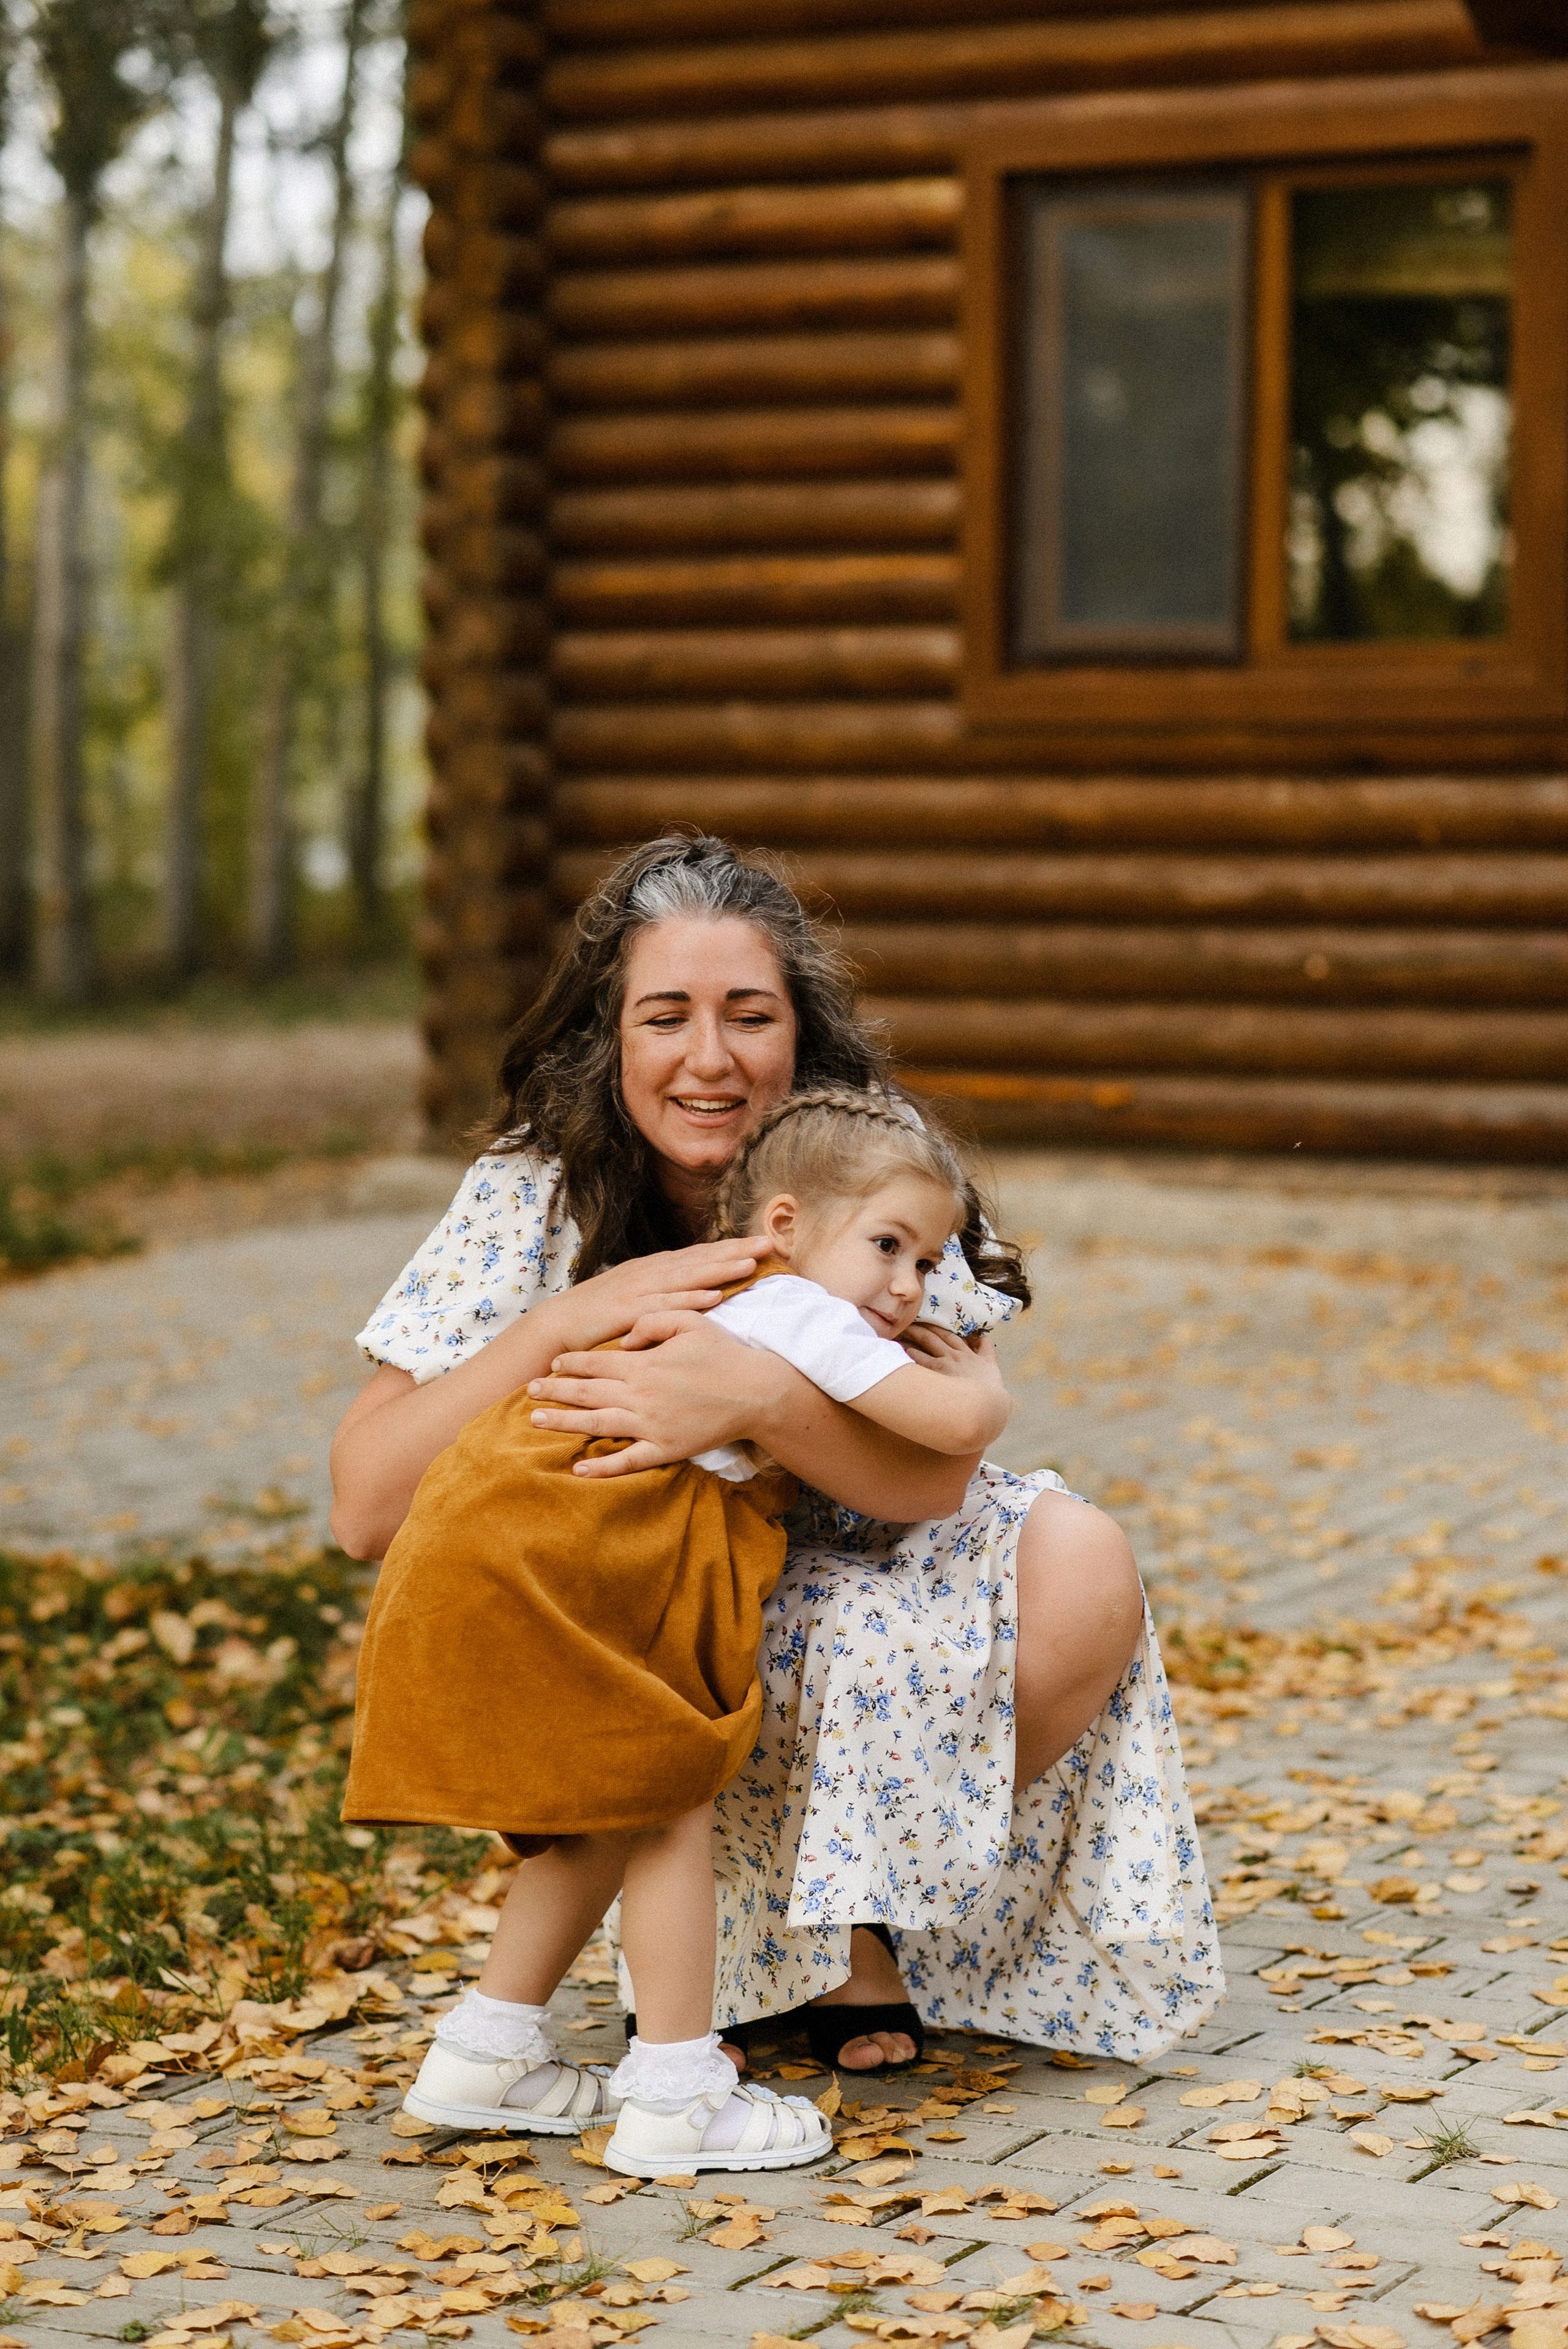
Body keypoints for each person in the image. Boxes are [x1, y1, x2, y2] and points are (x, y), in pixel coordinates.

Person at [332, 834, 1221, 2078]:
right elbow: (367, 1506)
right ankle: (725, 1959)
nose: (709, 1058)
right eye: (666, 1017)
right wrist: (564, 1320)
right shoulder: (532, 1188)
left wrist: (749, 1395)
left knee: (1078, 1561)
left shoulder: (872, 1163)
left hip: (840, 1564)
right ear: (609, 1036)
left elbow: (934, 1474)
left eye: (749, 1014)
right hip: (623, 1588)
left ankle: (842, 1922)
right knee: (654, 1624)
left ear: (798, 1030)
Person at [348, 1092, 1011, 2176]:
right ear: (787, 1226)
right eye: (889, 1246)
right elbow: (949, 1431)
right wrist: (980, 1385)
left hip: (511, 1537)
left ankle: (485, 2056)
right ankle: (674, 2100)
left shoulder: (733, 1294)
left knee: (607, 1811)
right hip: (577, 1549)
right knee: (666, 1798)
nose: (908, 1285)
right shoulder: (798, 1308)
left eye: (930, 1262)